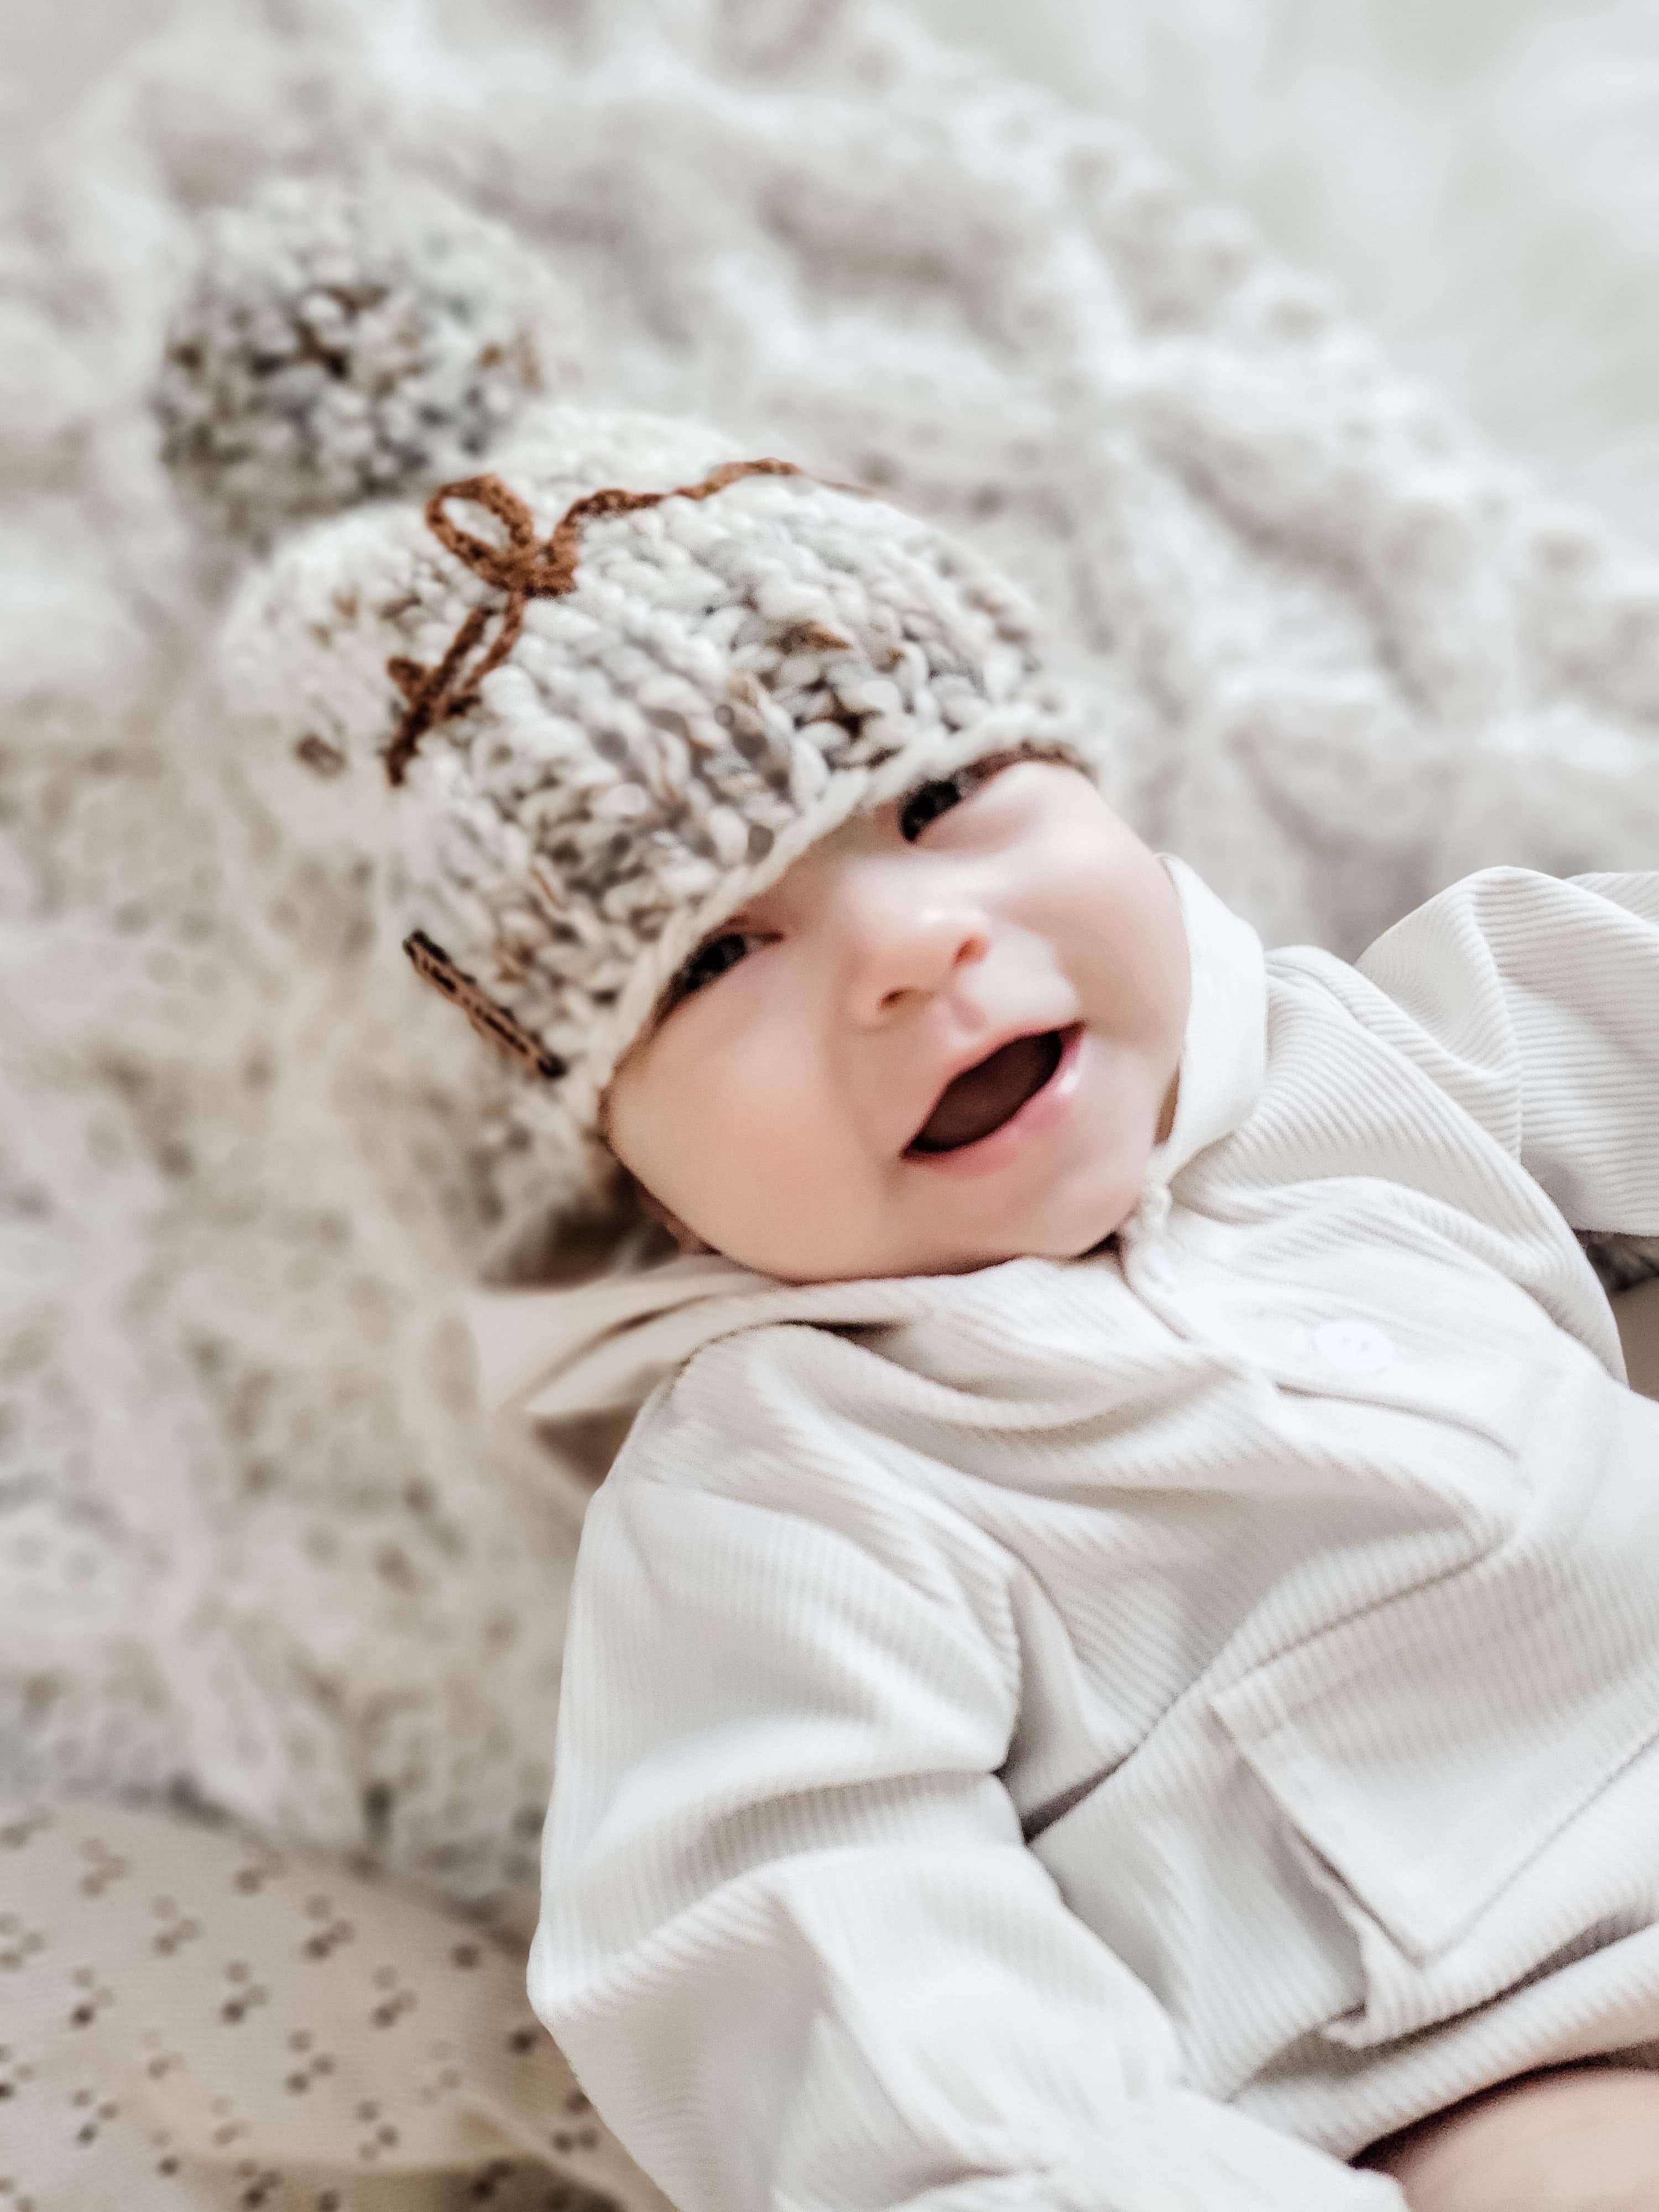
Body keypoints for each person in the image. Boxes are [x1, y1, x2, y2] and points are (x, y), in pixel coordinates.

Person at [229, 405, 1659, 2212]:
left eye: (935, 801)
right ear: (635, 1164)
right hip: (1489, 2057)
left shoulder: (1386, 1055)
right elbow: (823, 1961)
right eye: (718, 957)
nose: (911, 945)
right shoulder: (794, 1483)